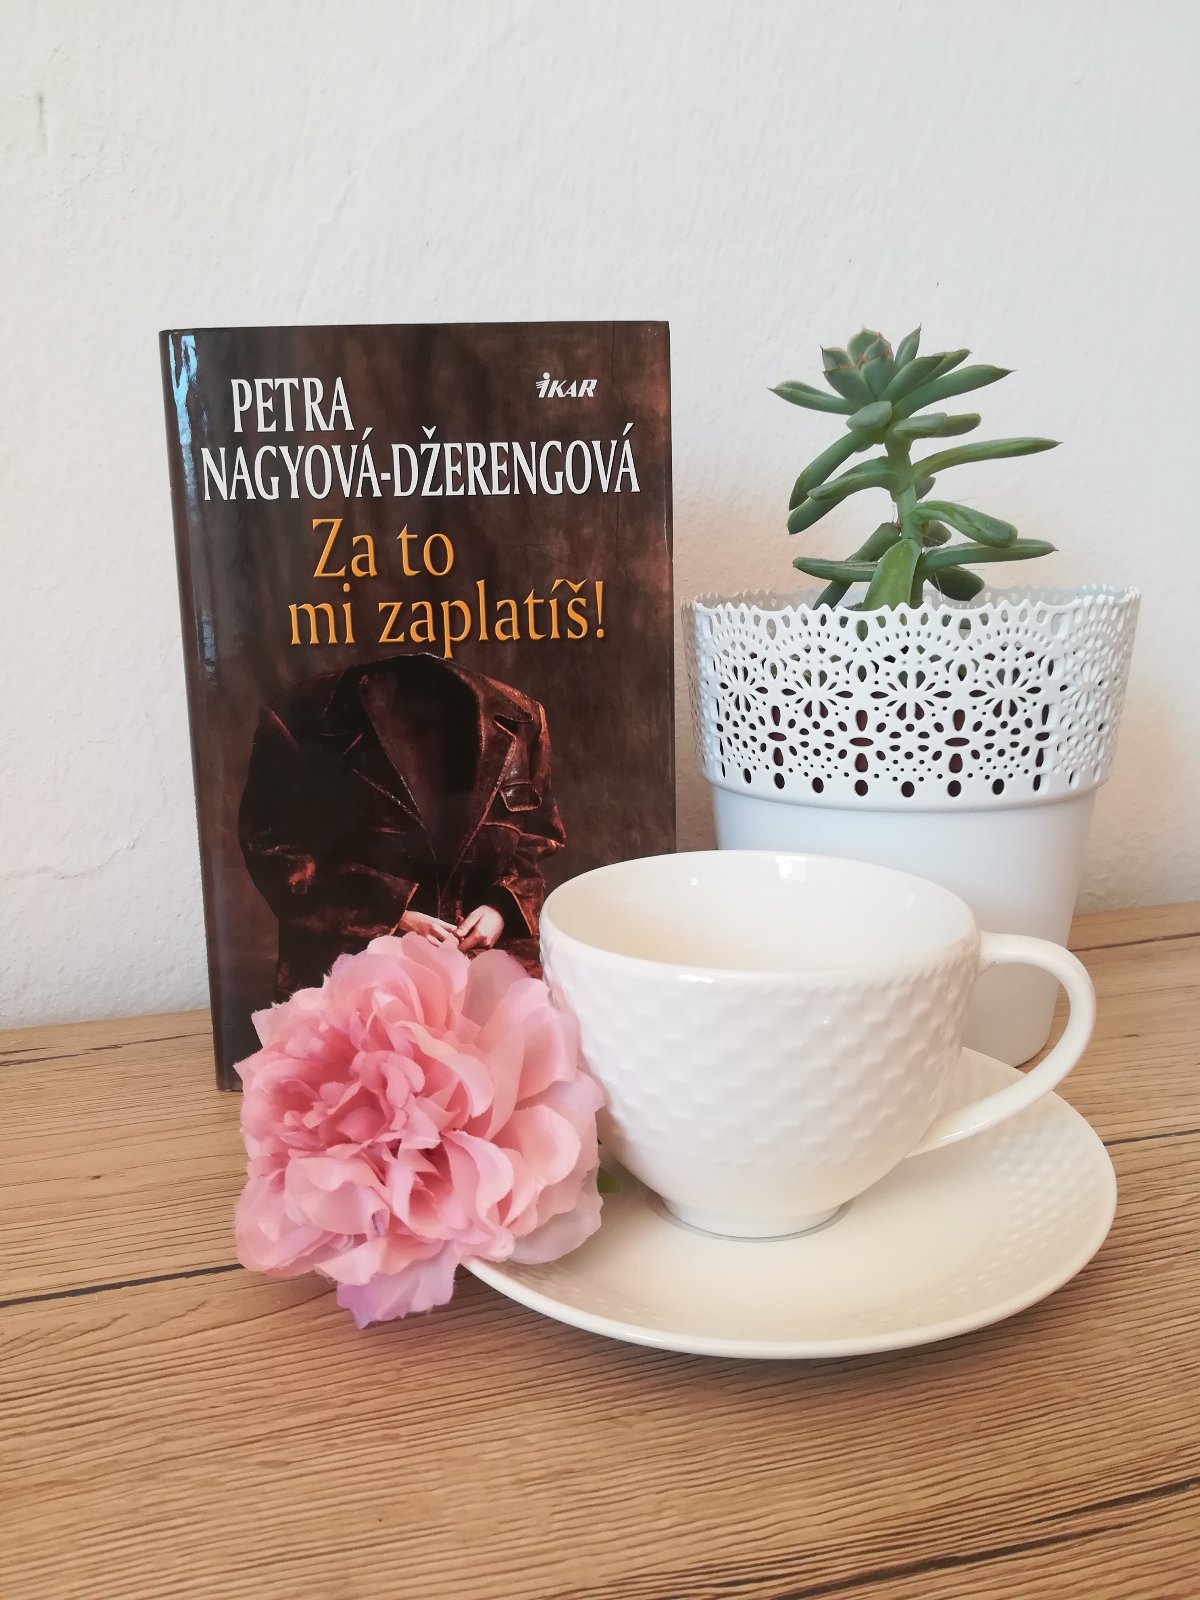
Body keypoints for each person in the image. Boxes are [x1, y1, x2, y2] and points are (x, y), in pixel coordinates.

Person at [239, 652, 565, 998]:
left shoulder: (523, 719)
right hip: (351, 971)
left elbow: (537, 837)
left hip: (488, 965)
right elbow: (272, 849)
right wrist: (392, 914)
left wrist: (502, 906)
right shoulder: (301, 716)